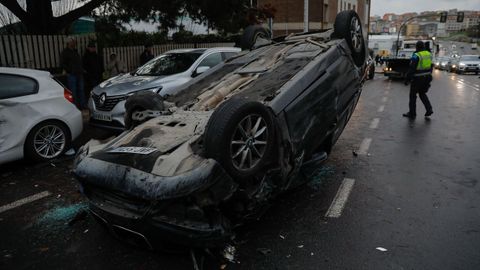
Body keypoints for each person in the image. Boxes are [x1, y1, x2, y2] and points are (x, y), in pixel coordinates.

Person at [402, 41, 433, 119]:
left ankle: (412, 113)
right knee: (422, 94)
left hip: (418, 79)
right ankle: (429, 109)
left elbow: (412, 68)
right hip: (427, 78)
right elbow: (431, 66)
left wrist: (407, 79)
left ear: (417, 47)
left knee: (412, 96)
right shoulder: (429, 54)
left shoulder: (416, 55)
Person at [61, 37, 86, 110]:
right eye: (73, 42)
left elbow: (78, 62)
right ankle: (75, 106)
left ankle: (82, 105)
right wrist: (69, 70)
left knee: (81, 90)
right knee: (73, 90)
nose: (74, 43)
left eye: (74, 42)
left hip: (79, 73)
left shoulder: (75, 51)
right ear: (69, 43)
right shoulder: (65, 52)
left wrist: (81, 69)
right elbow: (62, 63)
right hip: (72, 74)